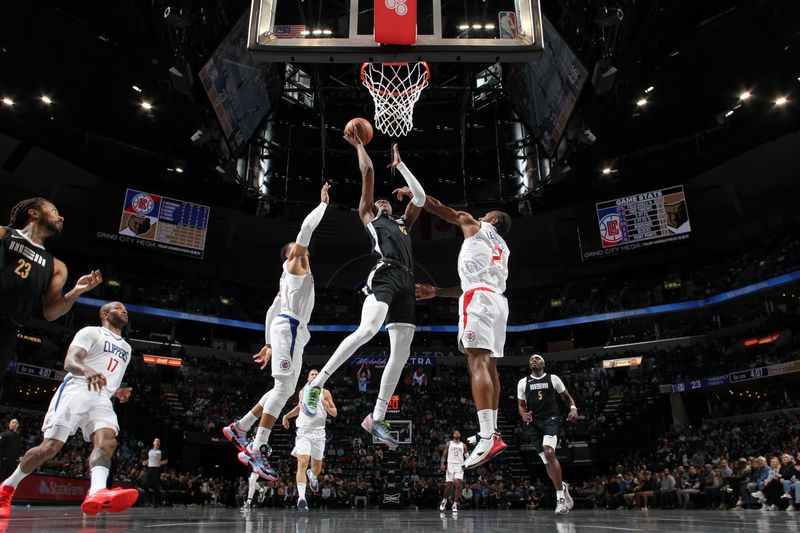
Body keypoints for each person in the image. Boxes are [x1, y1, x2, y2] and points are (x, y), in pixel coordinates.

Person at [301, 141, 425, 449]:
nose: (383, 201)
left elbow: (420, 197)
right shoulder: (370, 217)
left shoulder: (403, 223)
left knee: (402, 353)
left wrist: (402, 167)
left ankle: (377, 417)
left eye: (387, 200)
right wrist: (358, 144)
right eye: (378, 200)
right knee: (368, 329)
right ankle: (317, 383)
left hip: (407, 283)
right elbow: (368, 170)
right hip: (384, 274)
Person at [223, 183, 330, 479]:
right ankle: (256, 447)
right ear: (290, 255)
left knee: (282, 389)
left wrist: (269, 343)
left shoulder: (290, 280)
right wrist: (322, 205)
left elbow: (272, 310)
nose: (305, 253)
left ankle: (240, 426)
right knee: (283, 389)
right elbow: (305, 232)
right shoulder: (294, 265)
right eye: (298, 251)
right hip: (291, 329)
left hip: (290, 330)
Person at [0, 301, 138, 517]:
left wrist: (117, 391)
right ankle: (8, 487)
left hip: (102, 397)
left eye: (125, 309)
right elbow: (71, 361)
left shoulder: (127, 348)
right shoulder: (91, 332)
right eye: (118, 307)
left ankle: (96, 491)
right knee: (50, 447)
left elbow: (108, 376)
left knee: (108, 441)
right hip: (78, 387)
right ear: (104, 314)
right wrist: (86, 369)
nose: (124, 310)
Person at [411, 184, 512, 468]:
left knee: (476, 362)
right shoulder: (503, 249)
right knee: (490, 366)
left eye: (486, 214)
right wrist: (437, 291)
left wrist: (415, 192)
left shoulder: (475, 224)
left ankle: (486, 434)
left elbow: (439, 208)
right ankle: (492, 432)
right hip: (497, 301)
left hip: (478, 299)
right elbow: (473, 281)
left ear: (492, 221)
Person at [1, 198, 103, 383]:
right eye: (54, 211)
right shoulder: (3, 234)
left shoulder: (56, 266)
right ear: (33, 213)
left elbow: (50, 313)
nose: (61, 217)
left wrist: (76, 292)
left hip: (7, 332)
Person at [516, 354, 578, 514]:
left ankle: (561, 500)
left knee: (550, 452)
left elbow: (566, 396)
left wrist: (573, 408)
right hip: (533, 424)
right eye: (531, 360)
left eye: (537, 359)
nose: (533, 360)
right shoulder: (523, 382)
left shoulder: (553, 379)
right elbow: (521, 406)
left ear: (543, 363)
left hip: (550, 420)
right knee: (546, 462)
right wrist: (523, 414)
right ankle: (562, 486)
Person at [282, 369, 337, 511]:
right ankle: (301, 498)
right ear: (308, 378)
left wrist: (327, 407)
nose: (314, 376)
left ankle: (312, 475)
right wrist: (287, 416)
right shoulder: (302, 392)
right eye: (312, 374)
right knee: (302, 462)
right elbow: (299, 408)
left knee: (317, 469)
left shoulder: (325, 393)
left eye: (316, 374)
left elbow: (334, 412)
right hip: (303, 432)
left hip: (319, 433)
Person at [439, 430, 469, 512]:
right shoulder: (449, 444)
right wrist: (442, 464)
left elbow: (468, 458)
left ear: (460, 435)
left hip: (459, 466)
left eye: (458, 433)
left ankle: (455, 504)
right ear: (453, 435)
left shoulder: (464, 445)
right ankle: (444, 500)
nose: (456, 434)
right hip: (450, 465)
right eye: (455, 433)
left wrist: (467, 464)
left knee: (458, 485)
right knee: (448, 486)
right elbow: (444, 456)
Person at [143, 437, 167, 507]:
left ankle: (155, 503)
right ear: (153, 442)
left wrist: (160, 462)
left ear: (159, 443)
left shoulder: (161, 451)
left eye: (158, 441)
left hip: (156, 469)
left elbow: (165, 461)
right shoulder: (149, 451)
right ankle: (149, 499)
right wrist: (145, 462)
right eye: (156, 441)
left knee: (156, 486)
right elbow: (148, 459)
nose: (157, 442)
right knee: (145, 484)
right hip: (149, 469)